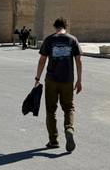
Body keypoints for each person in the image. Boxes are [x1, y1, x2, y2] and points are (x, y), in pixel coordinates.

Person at [34, 17, 82, 152]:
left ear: (55, 27)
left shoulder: (49, 40)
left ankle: (53, 140)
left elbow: (42, 60)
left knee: (51, 110)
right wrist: (79, 80)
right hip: (68, 80)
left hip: (51, 80)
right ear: (66, 26)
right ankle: (69, 128)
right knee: (69, 108)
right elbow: (78, 61)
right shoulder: (72, 40)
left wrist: (37, 78)